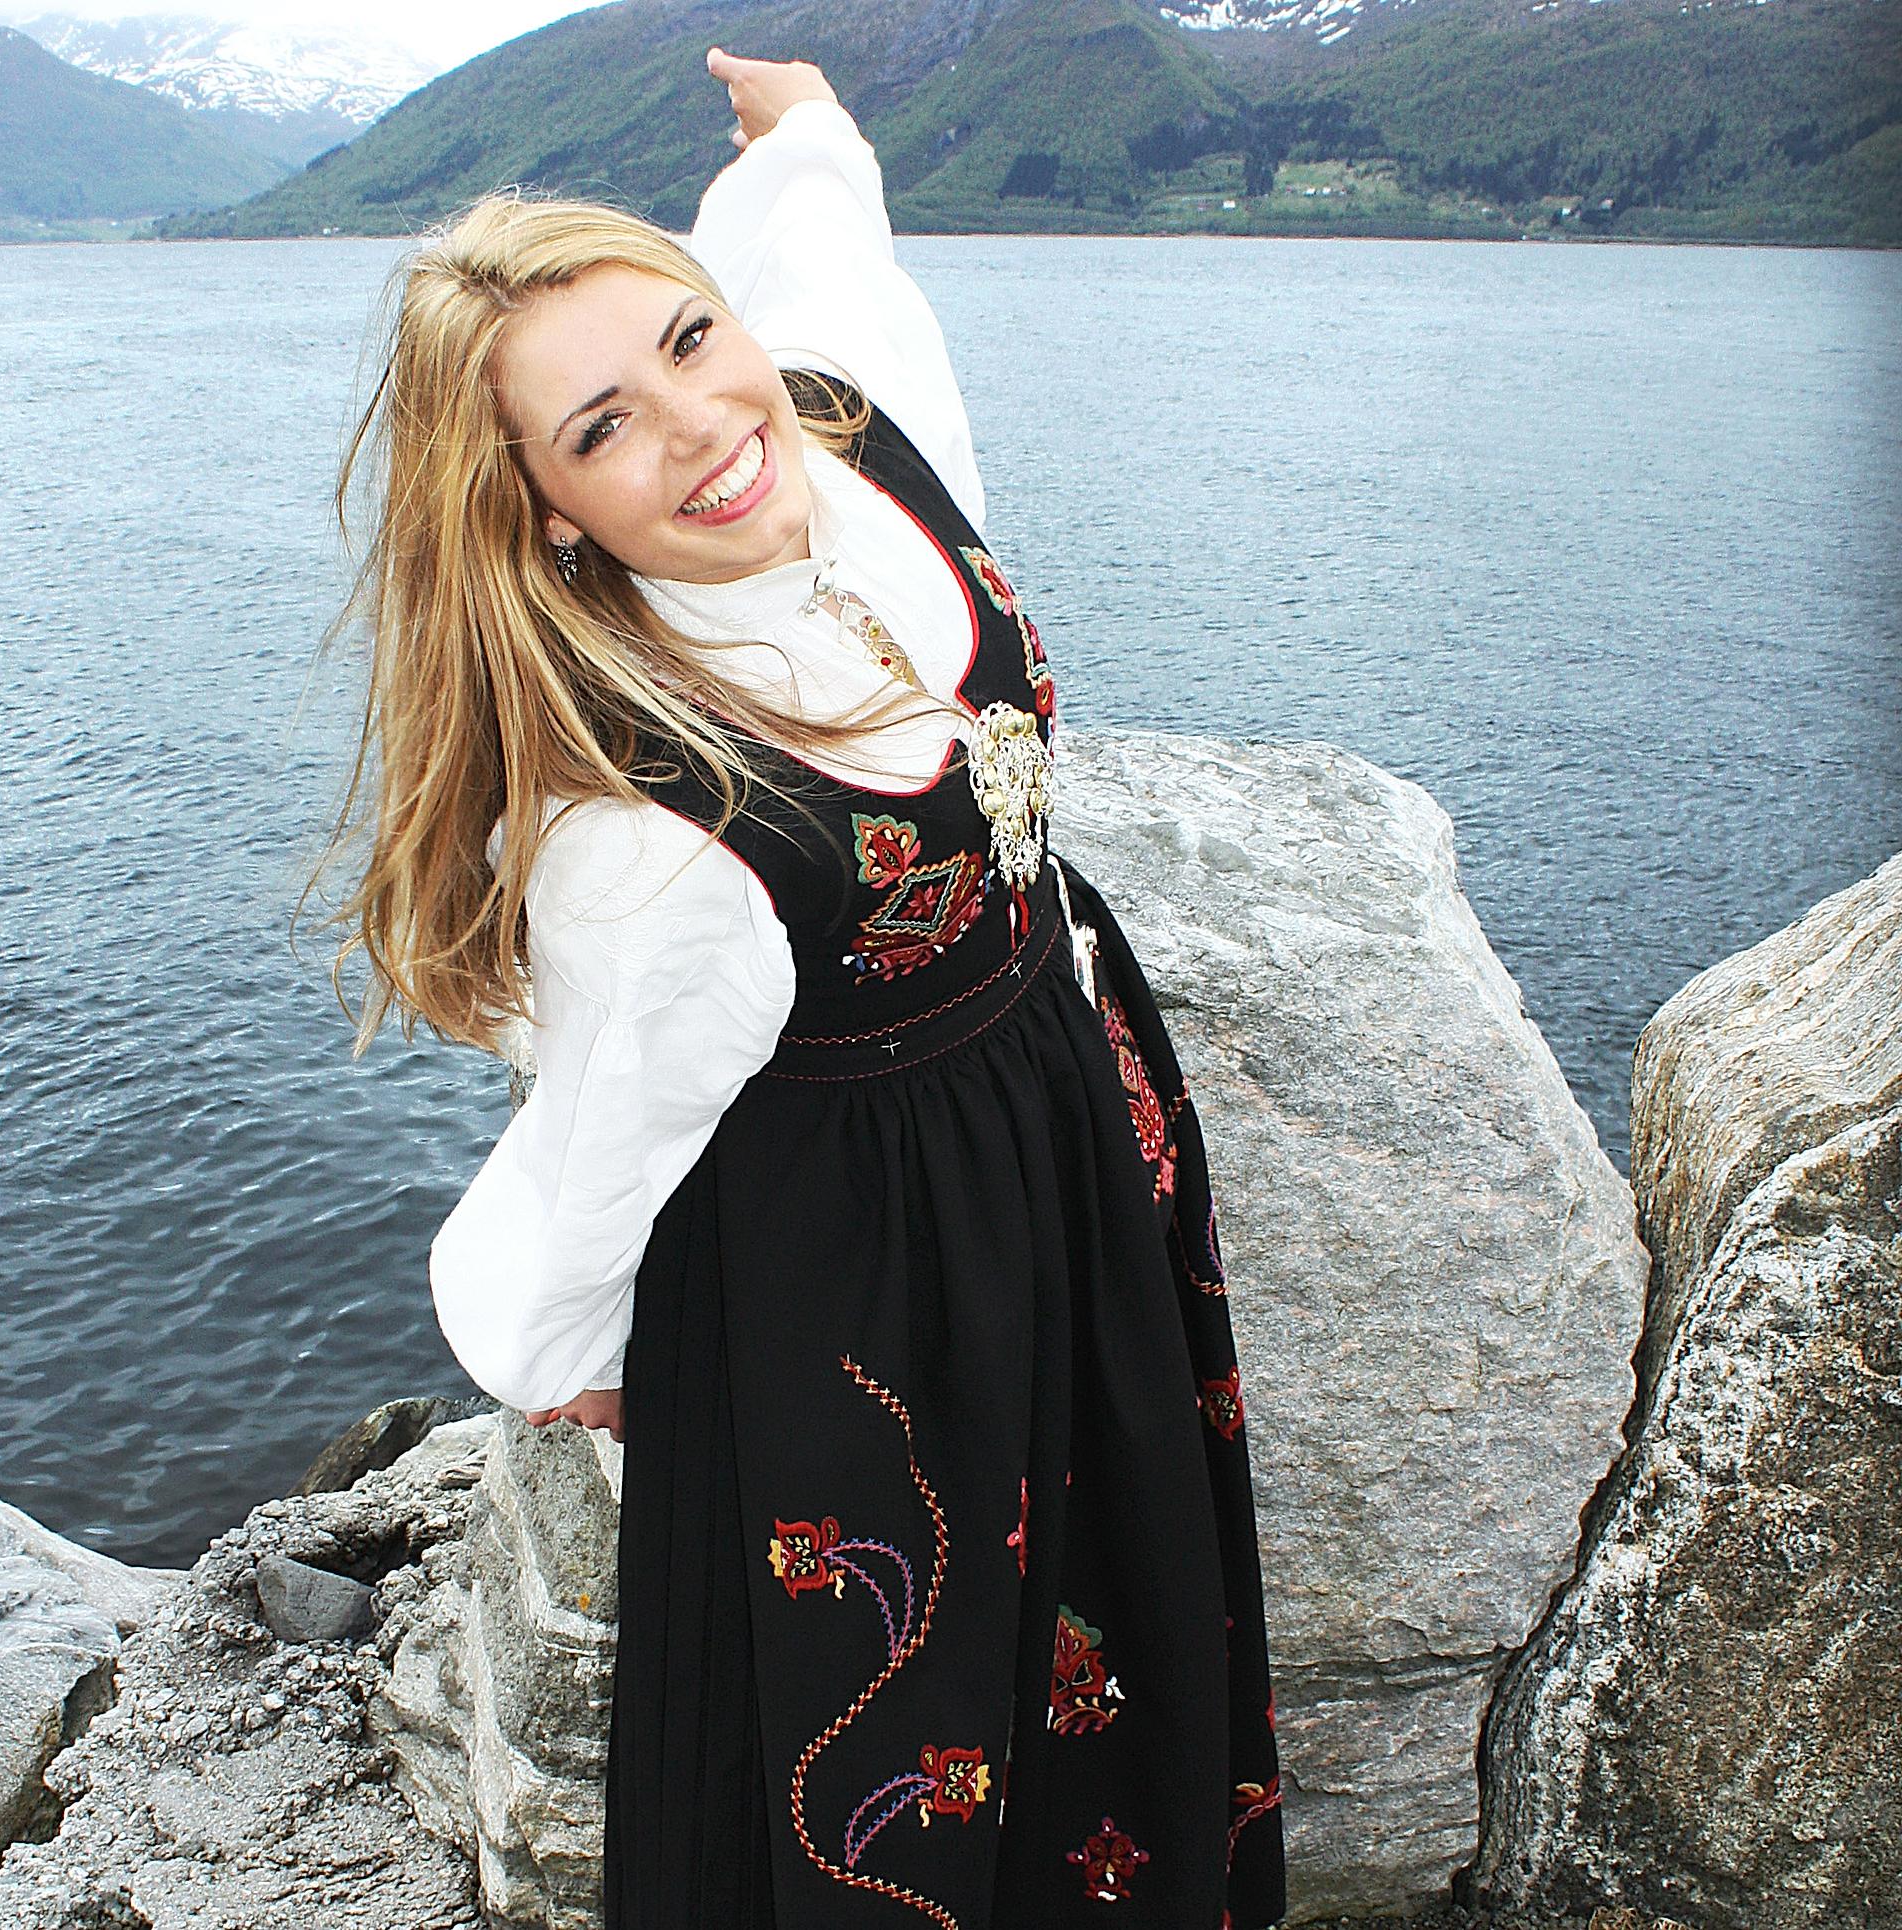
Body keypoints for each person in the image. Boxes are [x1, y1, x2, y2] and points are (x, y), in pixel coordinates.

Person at [314, 42, 1287, 1930]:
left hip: (1064, 1121)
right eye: (601, 430)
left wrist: (803, 129)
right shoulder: (654, 836)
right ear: (543, 517)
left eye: (688, 340)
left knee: (1118, 1600)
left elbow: (826, 235)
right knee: (900, 1734)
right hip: (865, 1286)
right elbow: (599, 1152)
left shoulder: (846, 411)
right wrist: (571, 1347)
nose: (697, 424)